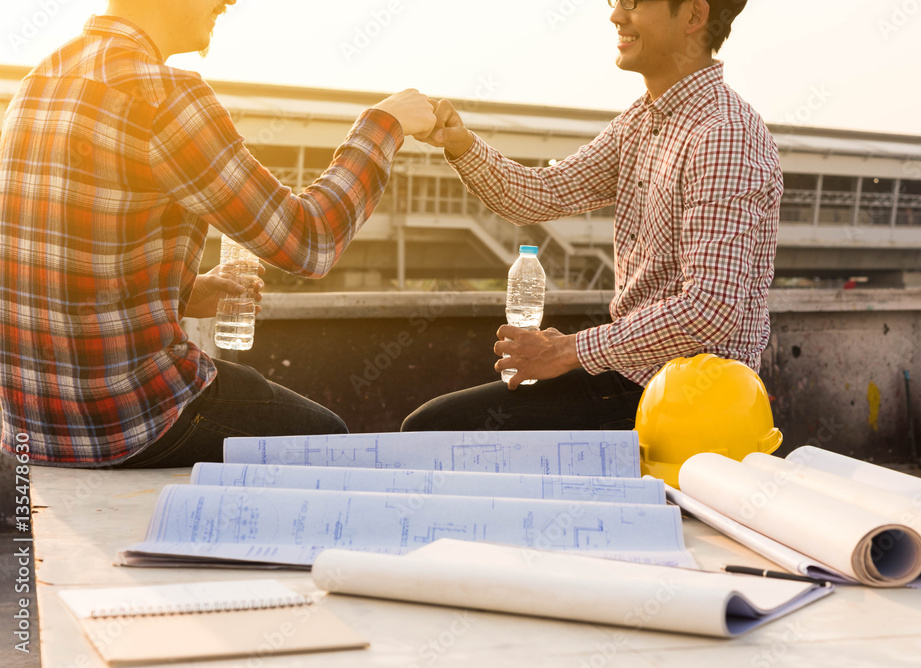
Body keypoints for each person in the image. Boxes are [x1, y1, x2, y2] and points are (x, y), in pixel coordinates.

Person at [0, 0, 436, 467]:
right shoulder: (164, 96)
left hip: (29, 428)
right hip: (127, 422)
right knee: (329, 443)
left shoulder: (38, 82)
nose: (229, 2)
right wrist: (383, 126)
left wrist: (181, 295)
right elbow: (310, 242)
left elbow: (53, 260)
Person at [402, 0, 781, 432]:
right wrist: (461, 144)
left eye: (634, 2)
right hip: (635, 379)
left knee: (434, 430)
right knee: (440, 425)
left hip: (692, 402)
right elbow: (541, 194)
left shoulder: (723, 133)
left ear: (694, 16)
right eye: (614, 1)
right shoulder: (641, 121)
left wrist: (566, 351)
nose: (616, 15)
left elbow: (709, 310)